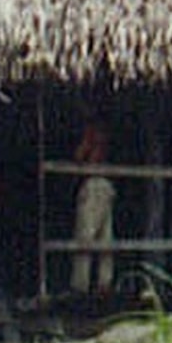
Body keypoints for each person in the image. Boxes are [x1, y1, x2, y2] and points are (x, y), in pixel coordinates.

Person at [70, 120, 116, 298]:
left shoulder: (92, 133)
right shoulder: (104, 134)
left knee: (86, 236)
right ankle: (105, 282)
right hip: (106, 185)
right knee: (105, 237)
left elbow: (79, 156)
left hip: (93, 185)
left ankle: (81, 285)